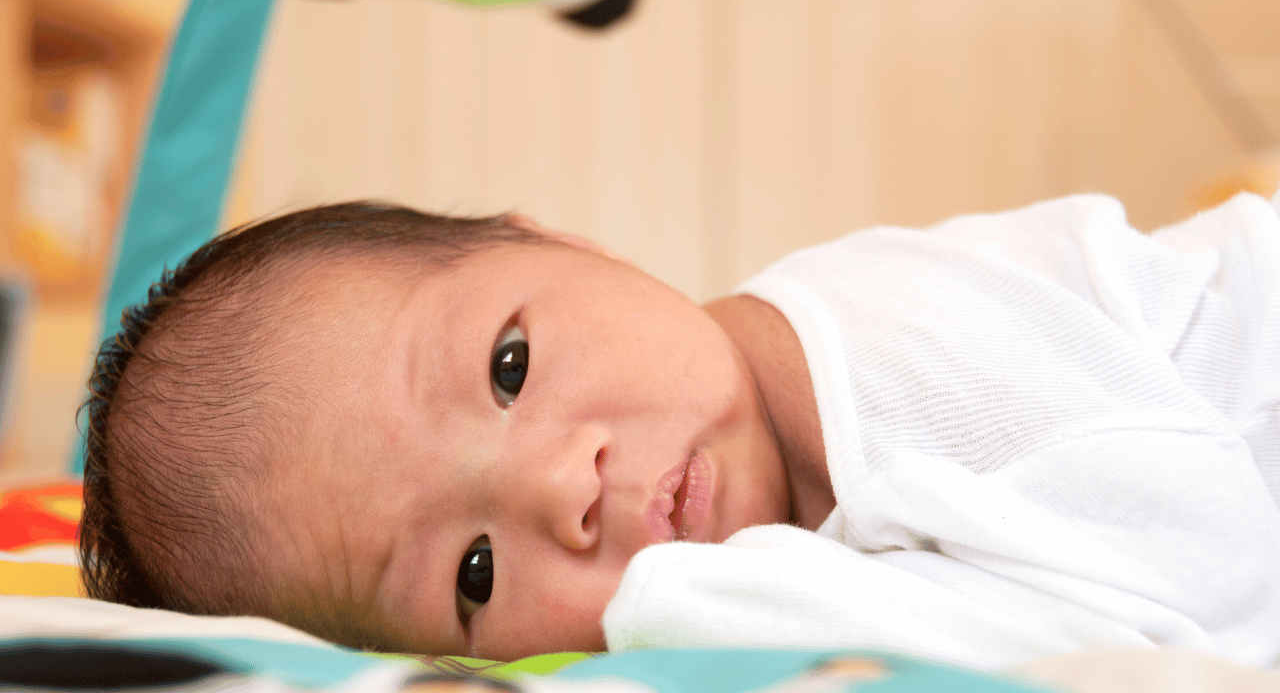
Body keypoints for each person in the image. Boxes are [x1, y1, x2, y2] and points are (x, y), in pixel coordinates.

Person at [79, 193, 1280, 667]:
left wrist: (702, 603)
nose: (565, 485)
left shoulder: (896, 358)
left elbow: (1212, 605)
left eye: (509, 366)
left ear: (551, 237)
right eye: (475, 573)